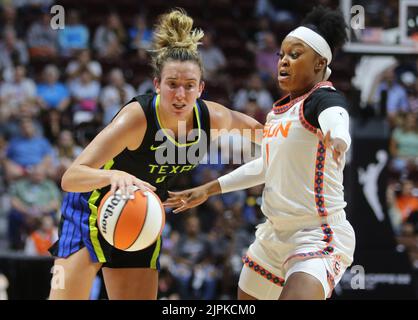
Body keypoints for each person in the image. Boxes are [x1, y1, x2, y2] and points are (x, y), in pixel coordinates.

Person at [48, 9, 263, 300]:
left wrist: (304, 138)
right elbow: (71, 177)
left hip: (139, 214)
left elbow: (264, 133)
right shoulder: (136, 118)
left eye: (189, 86)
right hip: (90, 209)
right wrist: (115, 175)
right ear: (156, 85)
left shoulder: (213, 118)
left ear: (201, 89)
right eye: (172, 84)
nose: (180, 95)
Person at [165, 6, 356, 300]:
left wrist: (338, 136)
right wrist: (209, 188)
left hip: (316, 234)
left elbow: (336, 116)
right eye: (281, 54)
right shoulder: (278, 112)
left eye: (295, 55)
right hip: (272, 235)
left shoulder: (323, 98)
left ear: (320, 63)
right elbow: (266, 166)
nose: (284, 61)